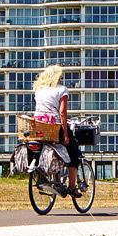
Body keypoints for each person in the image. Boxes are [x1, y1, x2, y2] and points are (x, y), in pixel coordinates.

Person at [31, 64, 80, 194]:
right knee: (73, 152)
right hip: (54, 126)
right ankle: (72, 187)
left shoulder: (39, 90)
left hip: (39, 126)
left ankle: (49, 176)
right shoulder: (61, 90)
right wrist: (65, 134)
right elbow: (62, 112)